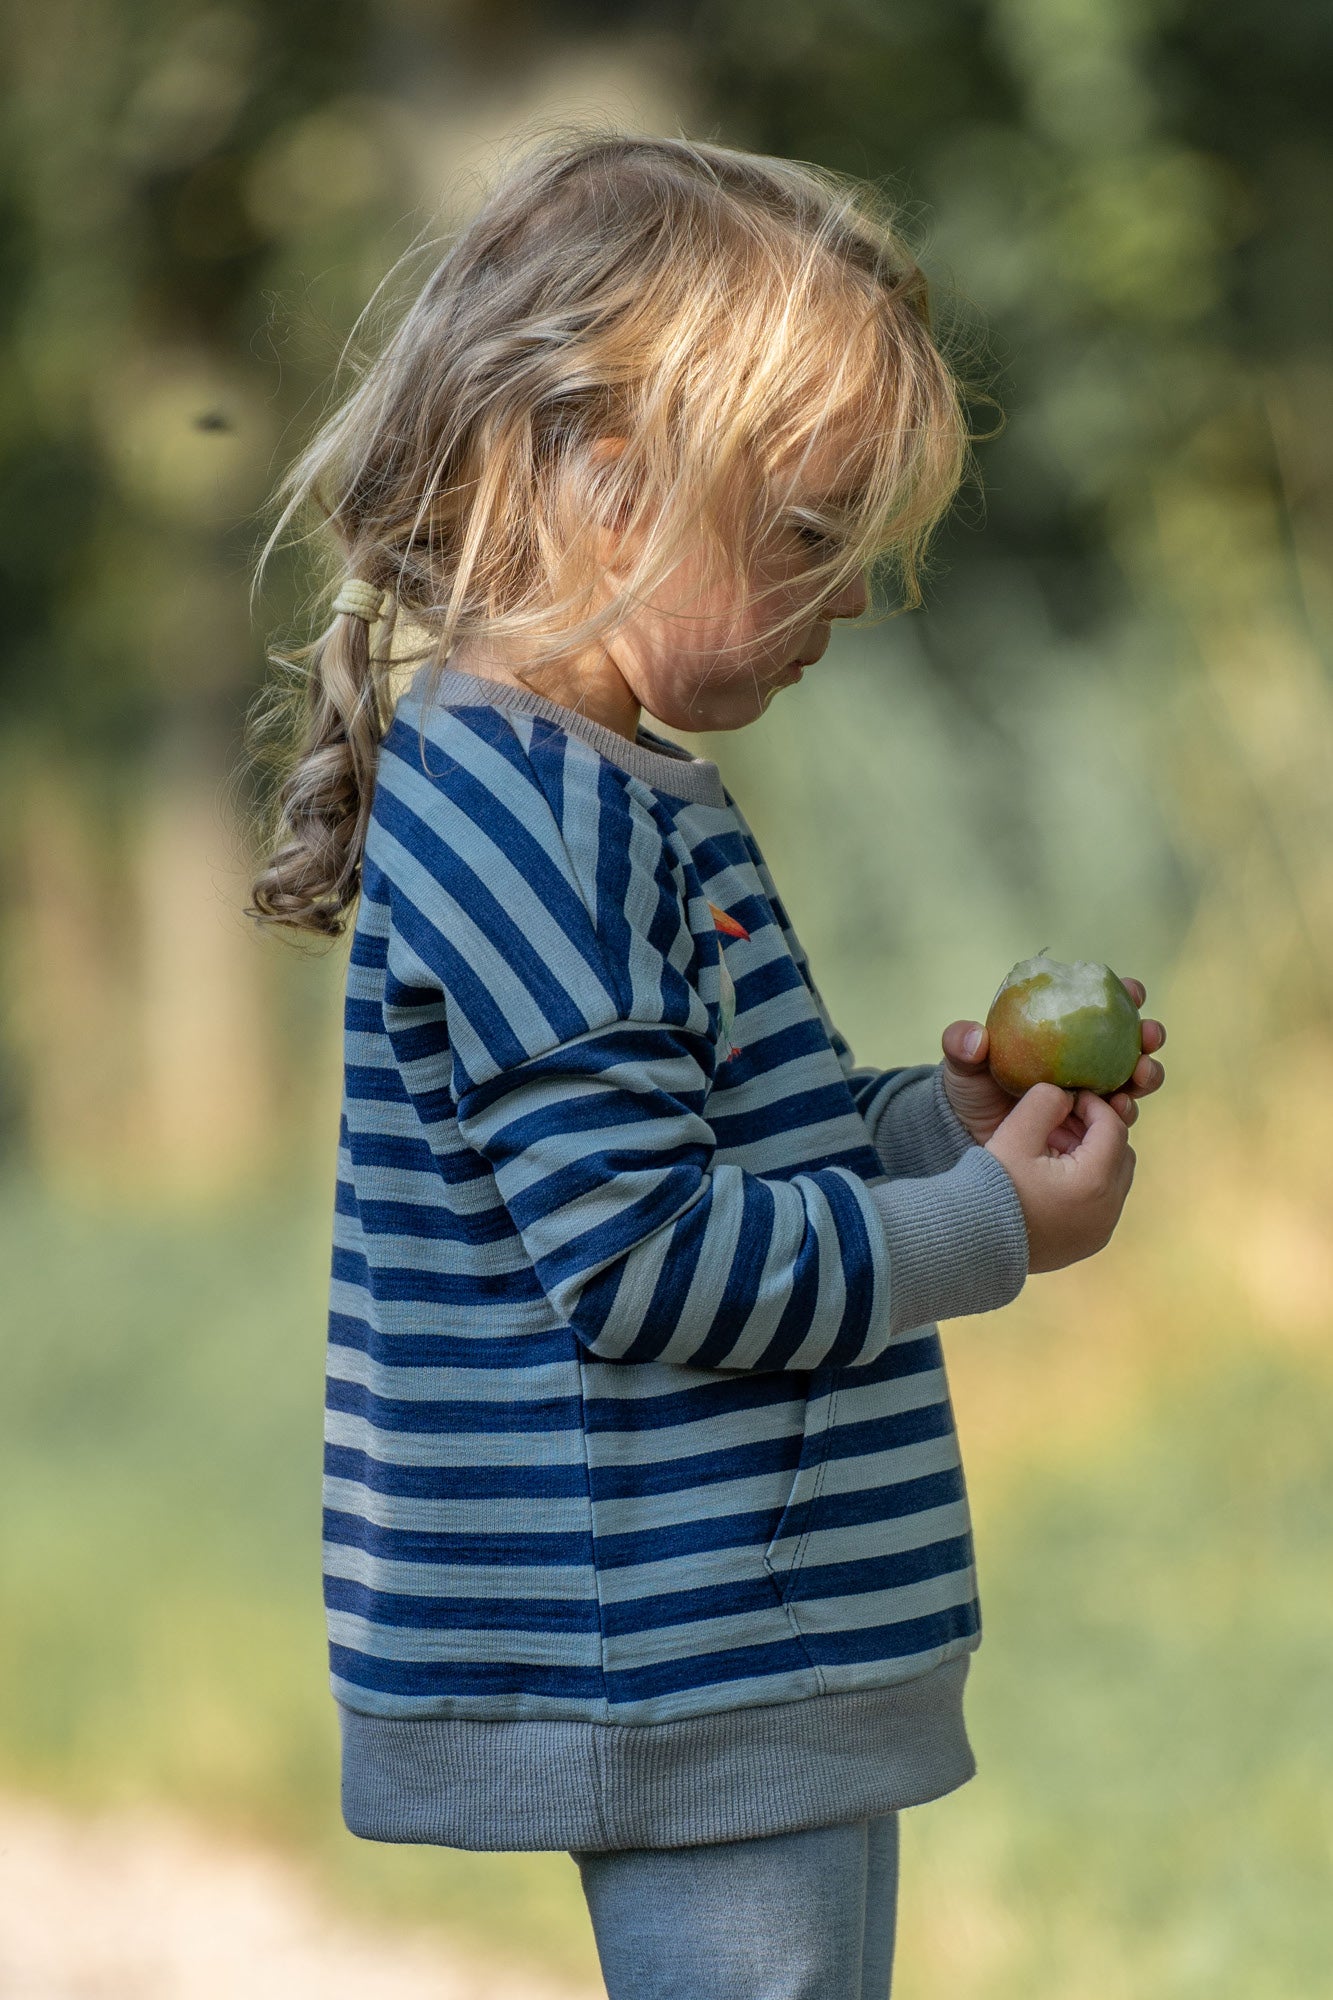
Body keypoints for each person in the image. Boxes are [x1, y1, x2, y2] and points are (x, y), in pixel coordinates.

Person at [246, 126, 1167, 2000]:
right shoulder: (524, 814)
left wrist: (939, 1125)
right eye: (809, 533)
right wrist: (982, 1231)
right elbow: (646, 1257)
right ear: (596, 480)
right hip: (679, 1648)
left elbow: (727, 1153)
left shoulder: (618, 789)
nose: (852, 598)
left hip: (752, 1625)